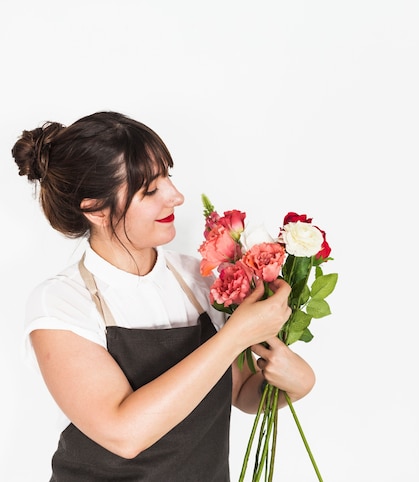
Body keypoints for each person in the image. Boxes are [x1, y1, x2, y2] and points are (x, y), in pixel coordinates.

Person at [12, 110, 316, 482]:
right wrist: (237, 334)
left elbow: (240, 392)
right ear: (95, 209)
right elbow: (124, 434)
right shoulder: (61, 303)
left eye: (167, 178)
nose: (177, 196)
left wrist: (293, 383)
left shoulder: (200, 278)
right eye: (151, 190)